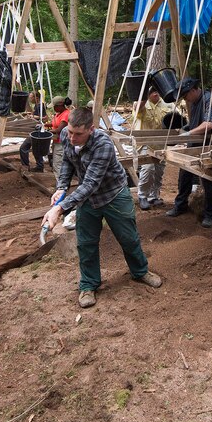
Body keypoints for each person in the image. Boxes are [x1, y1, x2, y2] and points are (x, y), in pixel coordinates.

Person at [42, 107, 163, 309]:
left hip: (113, 195)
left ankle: (140, 271)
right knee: (86, 243)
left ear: (92, 129)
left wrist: (59, 209)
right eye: (70, 132)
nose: (72, 138)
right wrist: (62, 186)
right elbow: (68, 162)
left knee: (128, 237)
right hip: (88, 200)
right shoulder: (66, 134)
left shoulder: (103, 144)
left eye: (78, 134)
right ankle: (89, 284)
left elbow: (90, 184)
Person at [166, 76, 212, 228]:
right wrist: (184, 129)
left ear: (193, 90)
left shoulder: (208, 100)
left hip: (210, 146)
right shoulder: (193, 102)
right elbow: (195, 123)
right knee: (184, 175)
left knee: (209, 180)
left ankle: (210, 214)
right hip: (195, 144)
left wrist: (188, 133)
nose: (186, 99)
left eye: (186, 95)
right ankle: (180, 205)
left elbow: (208, 124)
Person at [132, 87, 174, 210]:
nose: (155, 93)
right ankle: (142, 196)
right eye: (151, 92)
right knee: (148, 168)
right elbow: (138, 108)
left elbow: (177, 118)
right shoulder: (141, 103)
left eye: (157, 90)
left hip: (161, 142)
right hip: (145, 142)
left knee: (159, 171)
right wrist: (143, 94)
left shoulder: (168, 104)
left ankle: (153, 196)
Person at [50, 96, 71, 181]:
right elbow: (55, 124)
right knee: (57, 163)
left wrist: (46, 132)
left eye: (54, 106)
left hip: (61, 143)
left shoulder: (66, 114)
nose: (54, 108)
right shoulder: (59, 114)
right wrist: (45, 125)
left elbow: (59, 130)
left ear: (60, 105)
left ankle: (61, 187)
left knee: (58, 165)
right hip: (56, 142)